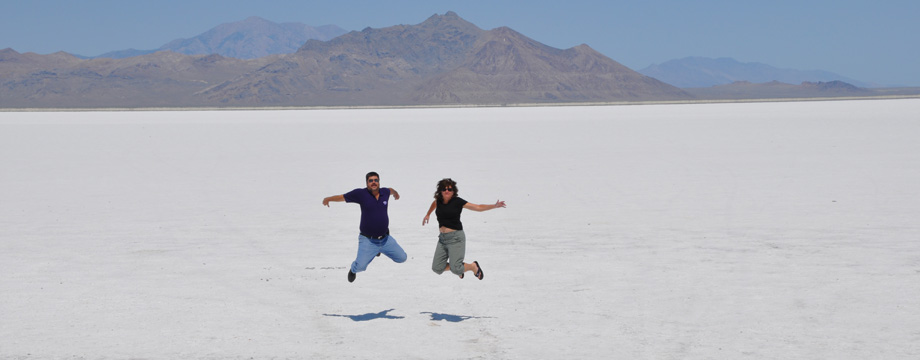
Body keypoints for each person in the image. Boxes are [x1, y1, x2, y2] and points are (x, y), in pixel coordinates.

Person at [323, 172, 407, 283]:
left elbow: (390, 190)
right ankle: (353, 270)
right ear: (367, 182)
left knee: (402, 258)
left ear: (379, 182)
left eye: (376, 180)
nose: (373, 182)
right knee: (360, 267)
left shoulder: (385, 192)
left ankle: (379, 250)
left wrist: (395, 193)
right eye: (371, 180)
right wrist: (328, 199)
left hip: (385, 239)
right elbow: (342, 197)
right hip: (368, 240)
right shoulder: (361, 194)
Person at [422, 178, 506, 280]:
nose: (447, 191)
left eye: (449, 189)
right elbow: (434, 204)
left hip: (456, 238)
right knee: (437, 268)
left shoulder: (457, 201)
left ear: (453, 191)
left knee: (456, 269)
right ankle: (459, 268)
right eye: (444, 189)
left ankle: (472, 266)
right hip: (442, 239)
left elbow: (478, 207)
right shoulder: (438, 201)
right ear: (440, 191)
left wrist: (494, 206)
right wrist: (428, 214)